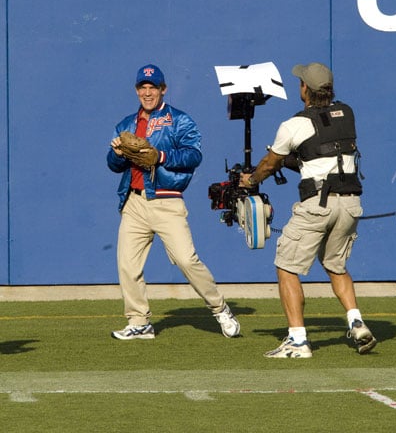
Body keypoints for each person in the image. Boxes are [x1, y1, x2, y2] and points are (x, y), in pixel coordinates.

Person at [240, 62, 377, 358]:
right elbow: (321, 153)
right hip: (351, 204)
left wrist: (250, 180)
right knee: (335, 265)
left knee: (286, 266)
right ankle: (356, 322)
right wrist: (293, 159)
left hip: (318, 205)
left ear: (305, 89)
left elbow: (269, 164)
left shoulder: (294, 124)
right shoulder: (347, 114)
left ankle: (298, 341)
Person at [107, 63, 240, 340]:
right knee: (127, 266)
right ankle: (139, 321)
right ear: (136, 90)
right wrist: (118, 153)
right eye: (142, 87)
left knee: (187, 261)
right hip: (133, 202)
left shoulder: (179, 120)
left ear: (163, 89)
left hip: (166, 200)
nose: (147, 92)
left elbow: (194, 155)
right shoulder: (126, 124)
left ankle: (219, 308)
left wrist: (161, 157)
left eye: (152, 87)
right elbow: (113, 165)